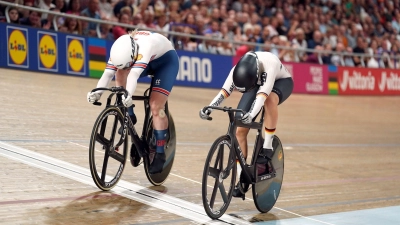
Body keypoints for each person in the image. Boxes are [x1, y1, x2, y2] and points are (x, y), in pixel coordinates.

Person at [199, 51, 293, 197]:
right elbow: (224, 92)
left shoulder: (270, 64)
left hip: (281, 82)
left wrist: (250, 115)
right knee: (239, 130)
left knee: (269, 101)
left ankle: (267, 146)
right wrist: (209, 107)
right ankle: (242, 178)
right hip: (254, 84)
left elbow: (261, 98)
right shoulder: (237, 69)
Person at [87, 29, 179, 174]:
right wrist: (96, 93)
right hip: (142, 61)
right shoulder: (119, 51)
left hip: (165, 63)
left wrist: (128, 95)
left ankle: (160, 152)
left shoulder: (145, 47)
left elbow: (134, 75)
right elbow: (107, 74)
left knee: (156, 106)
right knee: (120, 71)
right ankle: (128, 114)